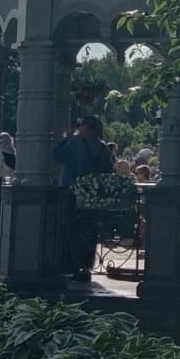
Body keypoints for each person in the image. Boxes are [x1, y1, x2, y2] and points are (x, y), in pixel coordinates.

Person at [53, 115, 114, 281]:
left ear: (85, 127)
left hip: (72, 194)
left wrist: (67, 137)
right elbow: (109, 170)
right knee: (90, 231)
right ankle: (86, 266)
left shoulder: (75, 143)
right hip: (93, 197)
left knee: (72, 230)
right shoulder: (103, 148)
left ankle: (71, 266)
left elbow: (56, 154)